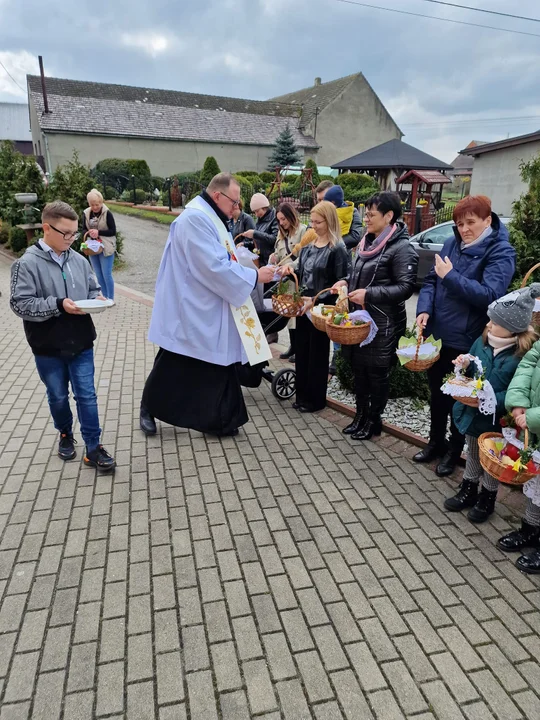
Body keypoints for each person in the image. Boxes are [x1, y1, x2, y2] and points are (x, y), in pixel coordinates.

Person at [139, 173, 275, 438]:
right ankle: (149, 406)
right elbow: (212, 267)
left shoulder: (211, 216)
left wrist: (248, 270)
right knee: (176, 358)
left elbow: (224, 257)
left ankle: (221, 420)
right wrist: (254, 276)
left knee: (218, 362)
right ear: (217, 196)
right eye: (234, 202)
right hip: (190, 305)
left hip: (209, 302)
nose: (237, 208)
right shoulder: (194, 219)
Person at [10, 201, 116, 470]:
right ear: (47, 228)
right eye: (65, 233)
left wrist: (98, 299)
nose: (71, 238)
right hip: (47, 346)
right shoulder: (26, 264)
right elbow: (20, 304)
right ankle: (66, 433)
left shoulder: (79, 260)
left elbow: (92, 289)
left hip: (81, 341)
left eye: (74, 233)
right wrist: (58, 304)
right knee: (57, 396)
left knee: (87, 395)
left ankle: (93, 447)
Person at [415, 195, 516, 477]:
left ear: (488, 220)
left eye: (471, 222)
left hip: (467, 339)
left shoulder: (501, 252)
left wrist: (451, 277)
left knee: (461, 401)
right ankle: (435, 442)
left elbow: (491, 296)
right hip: (438, 335)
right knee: (437, 394)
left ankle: (453, 451)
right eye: (459, 223)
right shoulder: (451, 244)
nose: (464, 229)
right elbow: (431, 280)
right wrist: (424, 309)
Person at [444, 286, 539, 523]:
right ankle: (468, 488)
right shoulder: (483, 341)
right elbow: (475, 366)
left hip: (497, 419)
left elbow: (518, 389)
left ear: (512, 328)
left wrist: (491, 400)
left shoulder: (520, 354)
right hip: (473, 411)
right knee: (474, 452)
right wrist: (465, 363)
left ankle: (487, 497)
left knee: (494, 460)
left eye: (494, 322)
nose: (488, 325)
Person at [332, 191, 418, 441]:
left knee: (376, 373)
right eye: (366, 213)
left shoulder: (402, 248)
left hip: (384, 323)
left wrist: (369, 295)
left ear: (389, 216)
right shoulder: (365, 243)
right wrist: (345, 282)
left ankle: (374, 420)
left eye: (371, 214)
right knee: (359, 370)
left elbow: (405, 288)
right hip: (360, 321)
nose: (366, 219)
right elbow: (356, 274)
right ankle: (360, 415)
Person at [281, 201, 350, 413]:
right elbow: (300, 268)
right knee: (302, 352)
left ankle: (315, 399)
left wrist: (318, 299)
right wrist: (288, 269)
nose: (313, 226)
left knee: (317, 355)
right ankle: (302, 395)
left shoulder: (337, 248)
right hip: (304, 305)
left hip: (322, 309)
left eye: (317, 222)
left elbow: (342, 280)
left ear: (329, 221)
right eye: (311, 221)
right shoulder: (310, 245)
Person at [498, 332, 540, 574]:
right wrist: (518, 401)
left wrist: (533, 417)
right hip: (534, 426)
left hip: (536, 420)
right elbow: (528, 364)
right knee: (535, 480)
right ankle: (531, 529)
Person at [269, 202, 307, 363]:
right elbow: (279, 253)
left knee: (297, 316)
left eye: (284, 219)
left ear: (291, 216)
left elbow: (304, 257)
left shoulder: (303, 231)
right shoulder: (281, 234)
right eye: (279, 220)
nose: (282, 222)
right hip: (284, 281)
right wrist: (274, 258)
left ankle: (299, 348)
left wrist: (289, 266)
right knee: (289, 315)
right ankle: (292, 346)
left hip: (296, 279)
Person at [81, 189, 117, 301]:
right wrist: (89, 233)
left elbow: (113, 231)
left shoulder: (107, 213)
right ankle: (104, 297)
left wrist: (99, 232)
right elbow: (83, 229)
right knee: (98, 274)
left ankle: (110, 298)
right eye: (92, 205)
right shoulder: (86, 213)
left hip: (106, 246)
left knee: (106, 274)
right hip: (93, 248)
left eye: (97, 204)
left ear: (101, 202)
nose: (95, 207)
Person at [238, 193, 279, 267]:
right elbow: (257, 242)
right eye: (254, 212)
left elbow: (274, 239)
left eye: (257, 211)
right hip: (261, 260)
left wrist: (255, 233)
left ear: (264, 207)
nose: (256, 215)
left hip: (271, 261)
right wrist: (244, 244)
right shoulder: (260, 219)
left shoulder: (275, 218)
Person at [324, 185, 363, 251]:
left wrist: (333, 244)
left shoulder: (353, 212)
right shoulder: (326, 211)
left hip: (343, 254)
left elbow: (355, 236)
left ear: (333, 202)